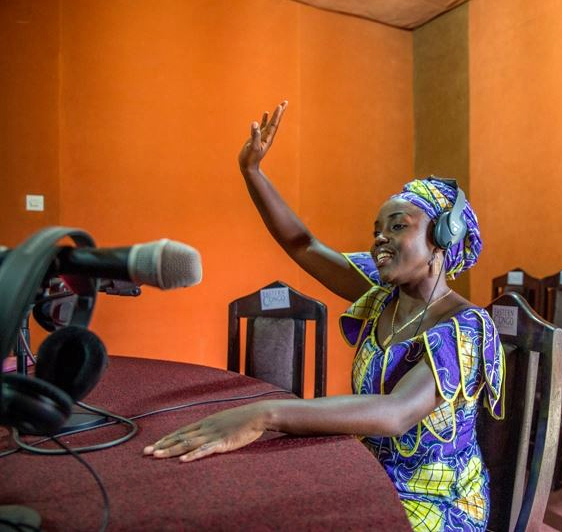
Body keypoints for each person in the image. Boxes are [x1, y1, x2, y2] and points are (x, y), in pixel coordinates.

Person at [143, 101, 505, 532]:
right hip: (369, 476)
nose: (379, 239)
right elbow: (303, 245)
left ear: (443, 237)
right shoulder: (383, 292)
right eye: (377, 229)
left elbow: (396, 412)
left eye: (397, 226)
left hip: (437, 506)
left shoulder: (466, 327)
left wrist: (265, 414)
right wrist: (253, 173)